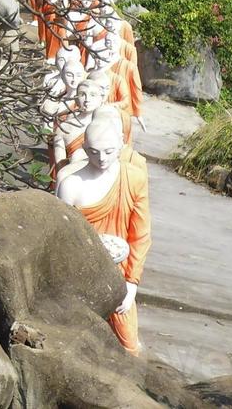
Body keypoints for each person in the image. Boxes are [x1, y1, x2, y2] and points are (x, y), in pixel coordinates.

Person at [57, 107, 151, 354]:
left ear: (121, 144)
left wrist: (131, 284)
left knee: (128, 345)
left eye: (109, 151)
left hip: (119, 275)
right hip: (81, 272)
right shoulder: (71, 184)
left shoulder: (134, 178)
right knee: (74, 342)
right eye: (94, 152)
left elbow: (140, 235)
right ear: (84, 149)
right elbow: (61, 238)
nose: (102, 158)